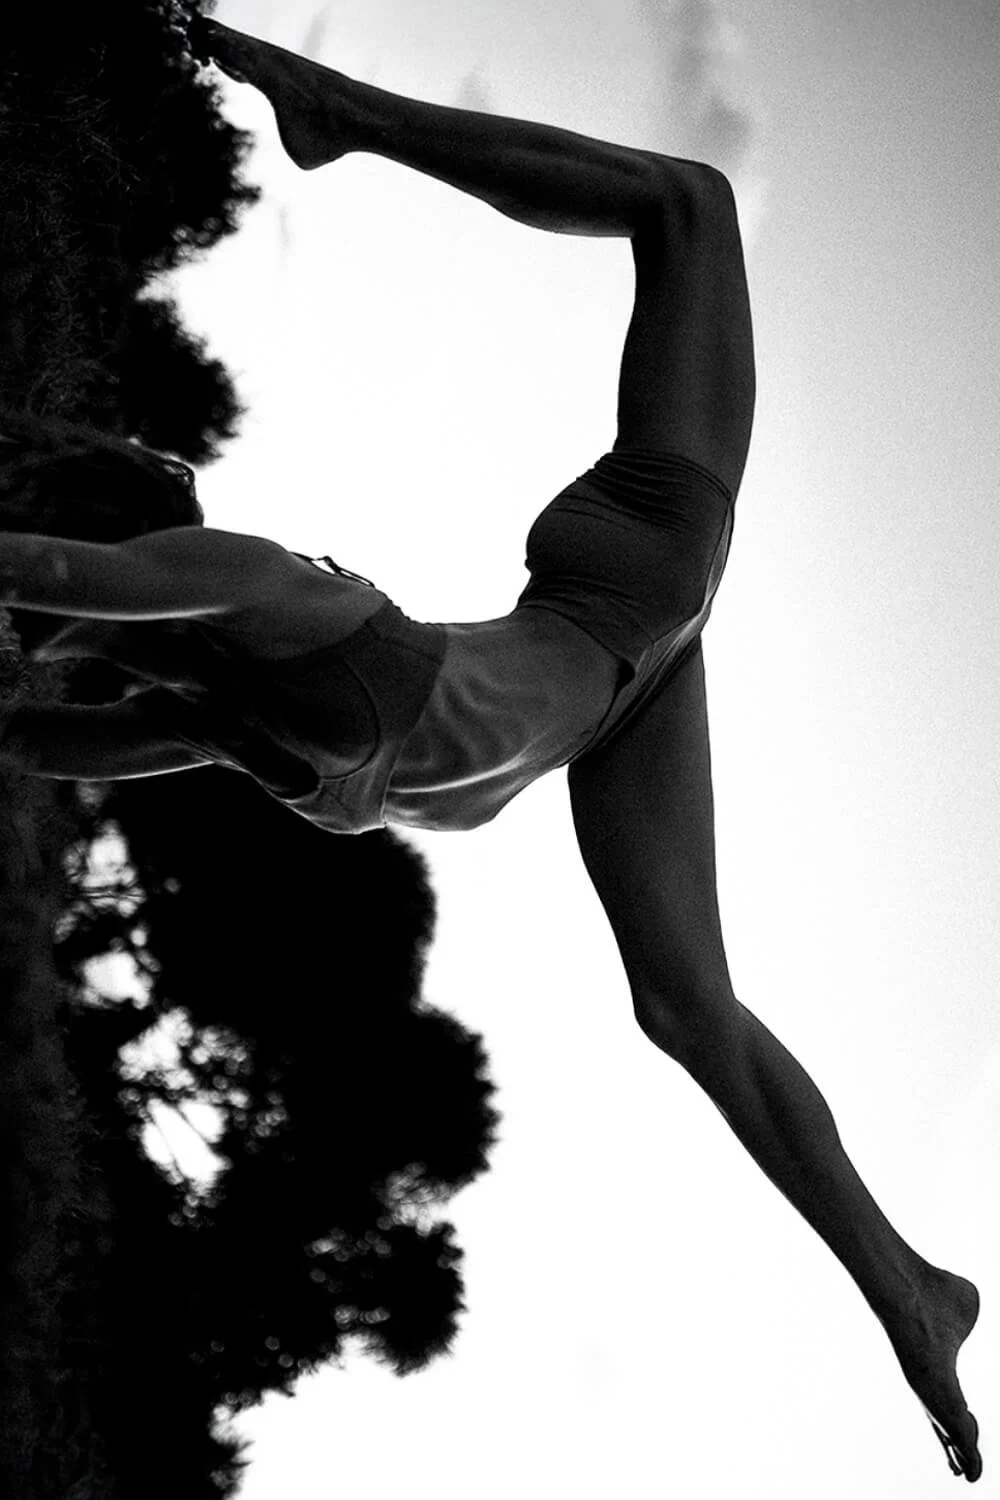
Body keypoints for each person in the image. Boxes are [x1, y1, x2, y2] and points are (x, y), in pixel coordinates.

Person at [0, 19, 982, 1480]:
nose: (178, 484)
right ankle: (346, 112)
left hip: (498, 726)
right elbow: (66, 592)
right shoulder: (270, 590)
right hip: (601, 629)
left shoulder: (223, 691)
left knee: (693, 1012)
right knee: (689, 207)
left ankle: (907, 1287)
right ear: (166, 515)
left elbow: (42, 710)